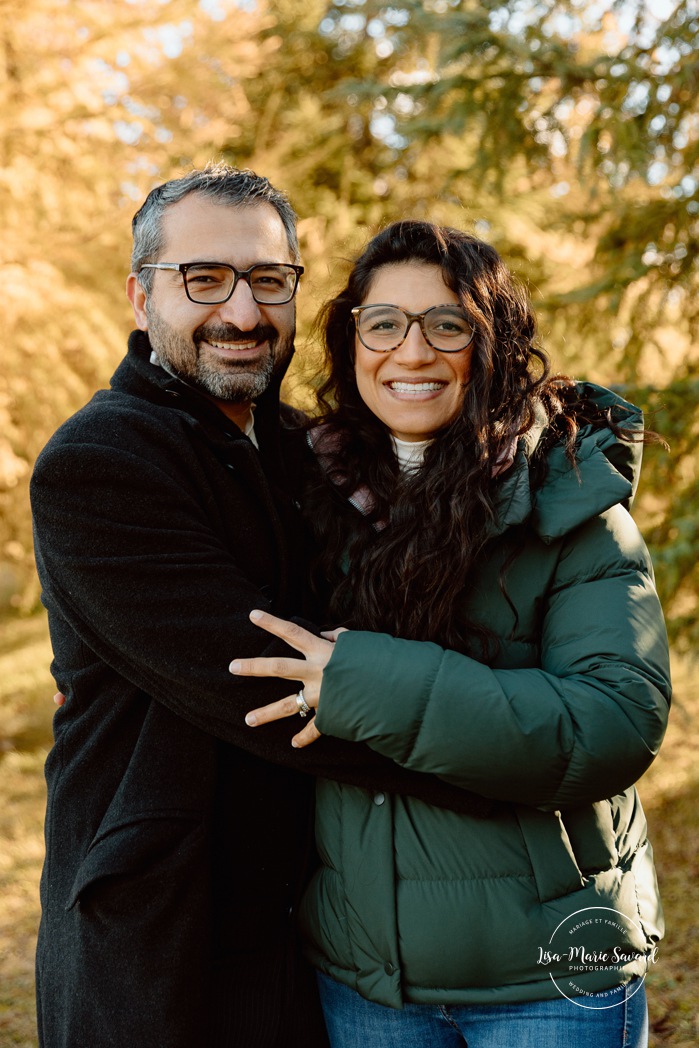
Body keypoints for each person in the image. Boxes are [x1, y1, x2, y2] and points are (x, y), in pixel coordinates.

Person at [30, 175, 484, 1048]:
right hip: (161, 935)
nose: (242, 313)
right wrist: (511, 745)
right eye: (203, 279)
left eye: (269, 280)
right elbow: (267, 686)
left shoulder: (304, 450)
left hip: (311, 929)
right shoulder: (100, 462)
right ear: (140, 292)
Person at [230, 220, 672, 1048]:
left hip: (549, 978)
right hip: (365, 982)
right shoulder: (309, 499)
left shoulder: (568, 507)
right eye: (384, 323)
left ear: (491, 345)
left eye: (447, 324)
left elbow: (610, 723)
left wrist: (365, 682)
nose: (412, 352)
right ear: (350, 337)